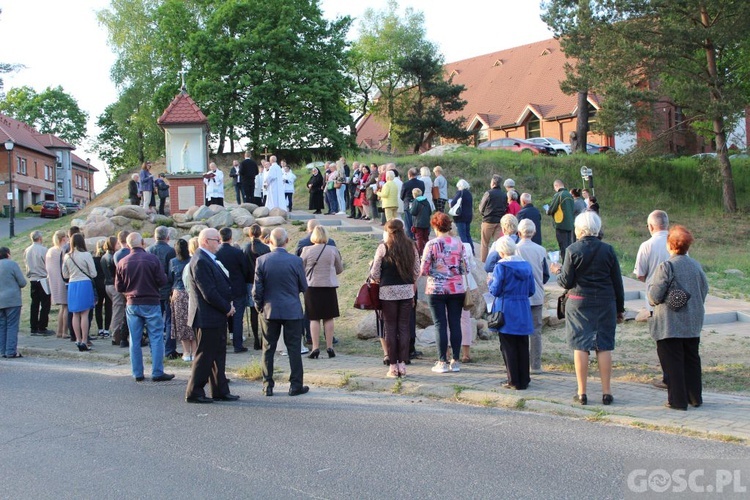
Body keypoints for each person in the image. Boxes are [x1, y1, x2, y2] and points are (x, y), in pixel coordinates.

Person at [556, 212, 624, 406]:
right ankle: (606, 392)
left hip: (579, 301)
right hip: (605, 301)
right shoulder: (608, 250)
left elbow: (566, 281)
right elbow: (617, 282)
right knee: (604, 345)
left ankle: (582, 392)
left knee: (581, 345)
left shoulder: (572, 250)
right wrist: (620, 308)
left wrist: (557, 271)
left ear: (579, 229)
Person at [647, 225, 709, 411]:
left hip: (670, 323)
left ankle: (677, 401)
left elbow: (655, 296)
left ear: (670, 245)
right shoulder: (696, 265)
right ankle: (694, 397)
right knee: (691, 359)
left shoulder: (666, 266)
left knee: (672, 362)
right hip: (693, 321)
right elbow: (704, 290)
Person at [253, 228, 309, 397]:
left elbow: (257, 289)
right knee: (293, 348)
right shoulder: (296, 261)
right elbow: (303, 286)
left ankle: (267, 385)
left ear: (270, 241)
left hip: (270, 309)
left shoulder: (262, 261)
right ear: (287, 241)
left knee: (268, 348)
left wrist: (259, 306)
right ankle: (295, 385)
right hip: (291, 308)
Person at [183, 229, 238, 403]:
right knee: (205, 355)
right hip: (206, 316)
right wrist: (227, 308)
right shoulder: (200, 261)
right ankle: (195, 391)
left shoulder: (207, 259)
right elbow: (209, 292)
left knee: (218, 355)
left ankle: (220, 389)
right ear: (206, 241)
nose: (220, 243)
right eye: (217, 240)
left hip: (215, 315)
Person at [115, 232, 174, 382]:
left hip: (132, 303)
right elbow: (162, 280)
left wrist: (128, 292)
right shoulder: (152, 259)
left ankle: (137, 372)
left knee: (134, 339)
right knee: (156, 337)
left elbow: (118, 286)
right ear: (142, 243)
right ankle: (157, 371)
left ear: (128, 245)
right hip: (151, 301)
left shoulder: (122, 262)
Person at [370, 219, 420, 378]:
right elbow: (417, 270)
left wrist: (380, 279)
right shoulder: (410, 246)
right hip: (406, 291)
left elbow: (375, 272)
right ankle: (402, 364)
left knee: (390, 327)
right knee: (404, 327)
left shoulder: (383, 247)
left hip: (387, 292)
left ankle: (392, 366)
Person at [421, 212, 469, 374]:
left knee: (440, 324)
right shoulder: (459, 244)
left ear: (435, 226)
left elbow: (424, 269)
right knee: (455, 323)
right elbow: (466, 268)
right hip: (456, 288)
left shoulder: (431, 244)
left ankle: (442, 360)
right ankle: (455, 360)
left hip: (436, 289)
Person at [488, 237, 535, 390]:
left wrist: (490, 282)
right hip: (522, 307)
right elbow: (531, 290)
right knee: (522, 343)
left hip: (506, 307)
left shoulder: (501, 267)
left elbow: (495, 290)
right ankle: (524, 379)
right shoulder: (526, 265)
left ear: (501, 251)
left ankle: (513, 380)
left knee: (508, 345)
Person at [300, 226, 343, 359]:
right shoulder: (333, 250)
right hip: (329, 286)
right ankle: (330, 347)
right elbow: (339, 269)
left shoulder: (306, 250)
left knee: (314, 318)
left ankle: (315, 347)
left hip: (312, 287)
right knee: (329, 317)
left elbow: (301, 268)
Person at [516, 219, 550, 373]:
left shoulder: (515, 249)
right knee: (536, 330)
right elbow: (546, 274)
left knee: (520, 329)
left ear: (519, 232)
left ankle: (521, 363)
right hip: (536, 293)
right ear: (534, 232)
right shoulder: (541, 250)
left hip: (519, 295)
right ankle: (535, 365)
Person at [215, 227, 251, 353]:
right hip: (237, 287)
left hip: (221, 289)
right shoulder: (237, 252)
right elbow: (245, 269)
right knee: (238, 317)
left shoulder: (216, 253)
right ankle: (238, 344)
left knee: (221, 317)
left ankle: (221, 343)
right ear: (231, 237)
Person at [146, 227, 179, 359]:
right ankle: (169, 349)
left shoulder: (148, 250)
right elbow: (172, 270)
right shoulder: (171, 251)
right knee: (170, 321)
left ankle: (154, 349)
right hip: (167, 289)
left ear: (155, 236)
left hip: (152, 290)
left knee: (153, 321)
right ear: (167, 237)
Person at [62, 234, 97, 352]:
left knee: (75, 314)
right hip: (85, 284)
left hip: (72, 284)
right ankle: (84, 340)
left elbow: (65, 274)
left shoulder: (67, 256)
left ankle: (77, 339)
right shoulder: (86, 255)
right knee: (85, 314)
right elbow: (93, 273)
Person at [634, 210, 670, 323]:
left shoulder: (646, 245)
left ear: (650, 226)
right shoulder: (678, 242)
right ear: (667, 224)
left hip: (655, 296)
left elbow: (640, 274)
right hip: (676, 295)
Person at [244, 224, 271, 350]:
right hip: (264, 282)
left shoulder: (246, 248)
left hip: (250, 282)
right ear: (260, 234)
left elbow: (243, 267)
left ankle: (256, 339)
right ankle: (265, 338)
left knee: (253, 312)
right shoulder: (266, 248)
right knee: (265, 311)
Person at [168, 238, 196, 362]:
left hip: (178, 293)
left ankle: (185, 352)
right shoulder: (192, 260)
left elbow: (170, 278)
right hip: (191, 293)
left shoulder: (172, 262)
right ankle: (195, 351)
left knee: (180, 323)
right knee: (193, 322)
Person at [24, 231, 52, 336]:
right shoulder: (44, 250)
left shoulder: (27, 250)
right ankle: (42, 326)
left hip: (33, 279)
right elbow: (47, 264)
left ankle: (33, 326)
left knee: (34, 303)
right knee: (45, 303)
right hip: (43, 278)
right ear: (40, 238)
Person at [0, 247, 27, 358]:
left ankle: (2, 351)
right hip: (12, 300)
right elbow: (22, 282)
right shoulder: (12, 264)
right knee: (12, 325)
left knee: (2, 326)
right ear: (8, 254)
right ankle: (10, 351)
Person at [478, 174, 507, 262]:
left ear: (493, 183)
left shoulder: (488, 193)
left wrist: (483, 214)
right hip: (499, 221)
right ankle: (498, 260)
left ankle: (483, 261)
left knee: (485, 243)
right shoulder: (504, 195)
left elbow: (481, 207)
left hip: (488, 220)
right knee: (498, 243)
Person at [45, 230, 68, 339]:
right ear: (63, 238)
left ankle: (59, 331)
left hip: (53, 281)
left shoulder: (50, 251)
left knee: (62, 307)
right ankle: (64, 332)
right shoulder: (62, 251)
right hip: (62, 281)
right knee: (66, 307)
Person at [546, 179, 575, 263]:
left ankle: (565, 265)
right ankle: (571, 263)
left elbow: (552, 209)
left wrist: (547, 211)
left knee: (563, 246)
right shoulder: (570, 195)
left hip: (561, 224)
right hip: (570, 224)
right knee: (569, 245)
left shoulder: (558, 195)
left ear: (556, 186)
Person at [101, 237, 123, 346]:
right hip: (114, 286)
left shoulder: (104, 256)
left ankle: (117, 333)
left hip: (107, 285)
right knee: (118, 311)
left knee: (116, 309)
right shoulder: (113, 257)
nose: (119, 245)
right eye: (117, 244)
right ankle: (115, 336)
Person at [92, 240, 112, 338]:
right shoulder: (107, 258)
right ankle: (107, 330)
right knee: (108, 307)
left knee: (98, 307)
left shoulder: (94, 260)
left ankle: (100, 329)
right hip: (107, 284)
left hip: (97, 285)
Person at [449, 179, 474, 255]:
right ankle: (471, 250)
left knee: (462, 235)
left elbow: (453, 203)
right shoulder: (469, 194)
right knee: (467, 234)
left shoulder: (460, 193)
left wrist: (450, 203)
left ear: (460, 186)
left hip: (460, 216)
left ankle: (466, 252)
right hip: (469, 216)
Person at [400, 168, 425, 241]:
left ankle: (410, 236)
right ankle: (418, 235)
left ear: (409, 175)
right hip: (419, 203)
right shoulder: (421, 183)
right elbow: (422, 192)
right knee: (418, 220)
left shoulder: (406, 184)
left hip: (408, 203)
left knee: (408, 221)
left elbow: (402, 196)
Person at [410, 188, 432, 256]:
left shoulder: (416, 201)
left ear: (414, 194)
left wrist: (410, 208)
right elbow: (430, 212)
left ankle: (420, 253)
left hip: (418, 223)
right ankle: (429, 251)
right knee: (426, 238)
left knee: (419, 238)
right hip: (426, 223)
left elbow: (413, 212)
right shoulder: (426, 201)